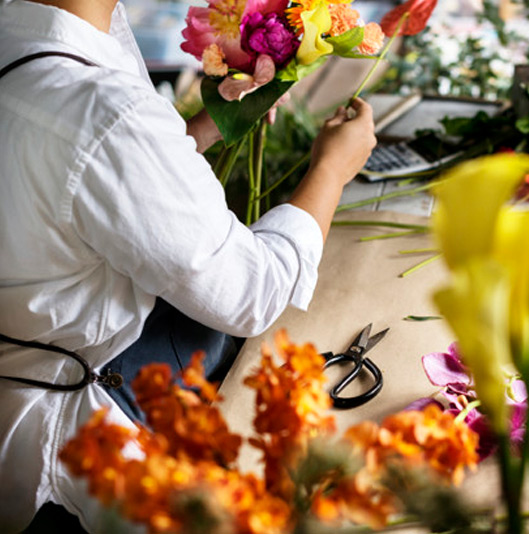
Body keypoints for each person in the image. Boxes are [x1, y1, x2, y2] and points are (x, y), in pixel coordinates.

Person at [0, 0, 377, 532]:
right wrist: (334, 168)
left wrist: (200, 131)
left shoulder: (18, 43)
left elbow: (76, 174)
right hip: (64, 434)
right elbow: (252, 293)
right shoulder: (104, 108)